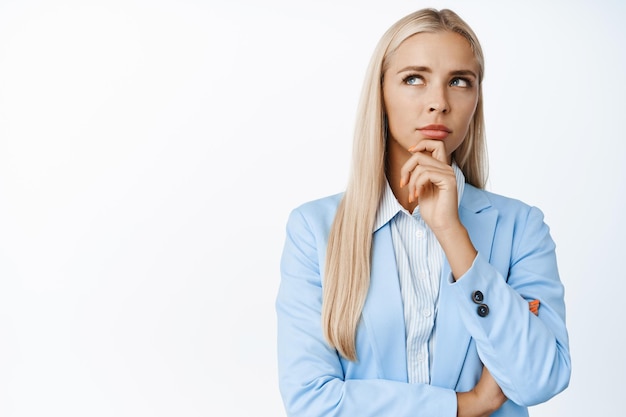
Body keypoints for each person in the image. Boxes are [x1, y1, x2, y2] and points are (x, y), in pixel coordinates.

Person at [276, 8, 570, 417]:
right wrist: (464, 406)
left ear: (476, 100)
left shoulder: (521, 228)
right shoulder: (315, 229)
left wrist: (452, 233)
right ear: (380, 93)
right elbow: (311, 401)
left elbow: (540, 379)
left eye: (459, 82)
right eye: (414, 78)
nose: (439, 103)